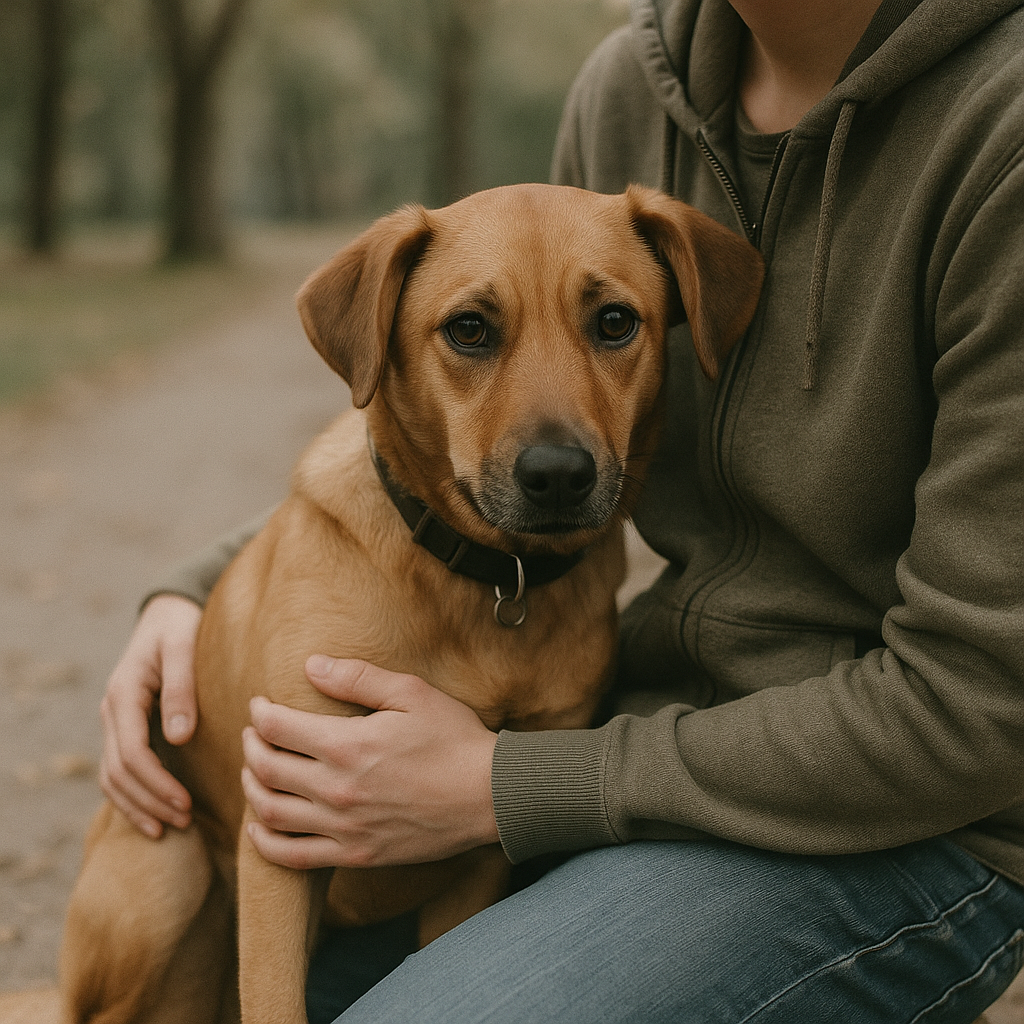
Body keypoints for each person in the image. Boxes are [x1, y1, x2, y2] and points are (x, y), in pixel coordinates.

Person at [99, 0, 1024, 1020]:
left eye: (616, 325)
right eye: (473, 335)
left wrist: (505, 783)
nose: (557, 437)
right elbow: (422, 440)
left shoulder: (1001, 127)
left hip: (909, 816)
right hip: (628, 743)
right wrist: (191, 594)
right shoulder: (633, 83)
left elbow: (985, 706)